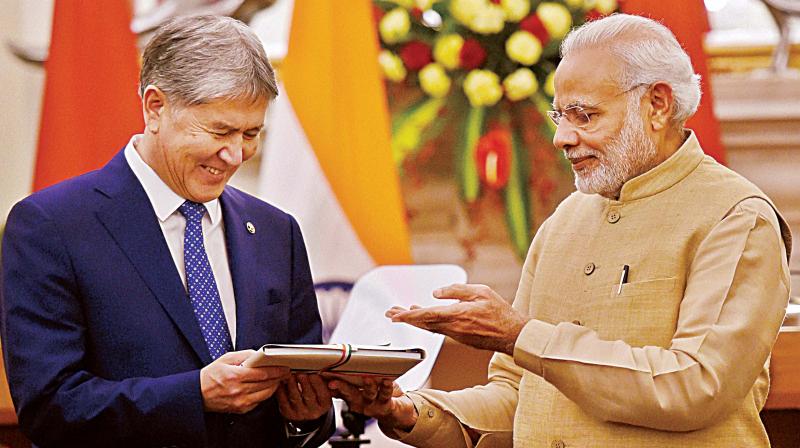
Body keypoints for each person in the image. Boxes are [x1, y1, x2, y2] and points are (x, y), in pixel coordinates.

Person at [329, 13, 792, 448]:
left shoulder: (736, 217)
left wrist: (518, 335)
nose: (562, 137)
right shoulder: (566, 221)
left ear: (657, 105)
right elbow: (518, 397)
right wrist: (407, 410)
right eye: (559, 116)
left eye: (584, 115)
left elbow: (695, 386)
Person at [1, 15, 333, 447]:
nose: (236, 154)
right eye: (219, 130)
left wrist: (305, 417)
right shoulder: (50, 226)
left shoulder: (275, 231)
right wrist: (194, 396)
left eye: (251, 133)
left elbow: (303, 405)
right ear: (155, 107)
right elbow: (49, 409)